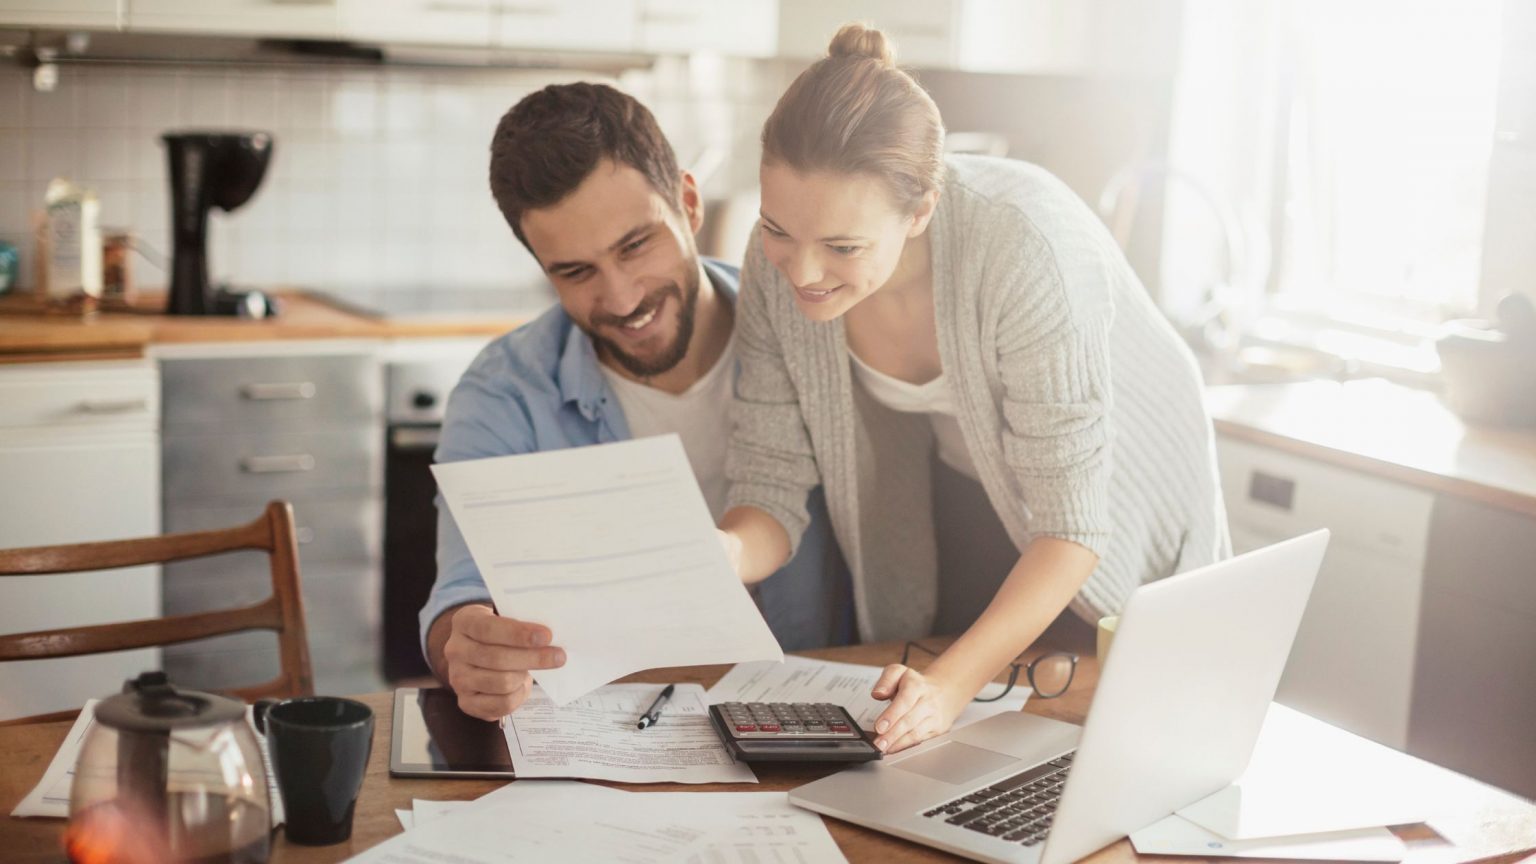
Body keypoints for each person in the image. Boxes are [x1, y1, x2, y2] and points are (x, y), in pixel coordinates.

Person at [718, 24, 1230, 755]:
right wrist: (721, 554)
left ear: (921, 209)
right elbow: (768, 483)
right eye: (777, 230)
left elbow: (1072, 527)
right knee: (963, 733)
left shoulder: (1025, 246)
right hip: (970, 473)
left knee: (1110, 719)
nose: (800, 272)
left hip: (1117, 491)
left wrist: (951, 687)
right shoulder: (777, 267)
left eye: (843, 246)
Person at [421, 82, 849, 721]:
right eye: (575, 272)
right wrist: (471, 647)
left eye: (635, 246)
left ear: (689, 201)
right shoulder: (503, 392)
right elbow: (460, 597)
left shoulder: (811, 333)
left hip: (820, 717)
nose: (621, 299)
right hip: (612, 732)